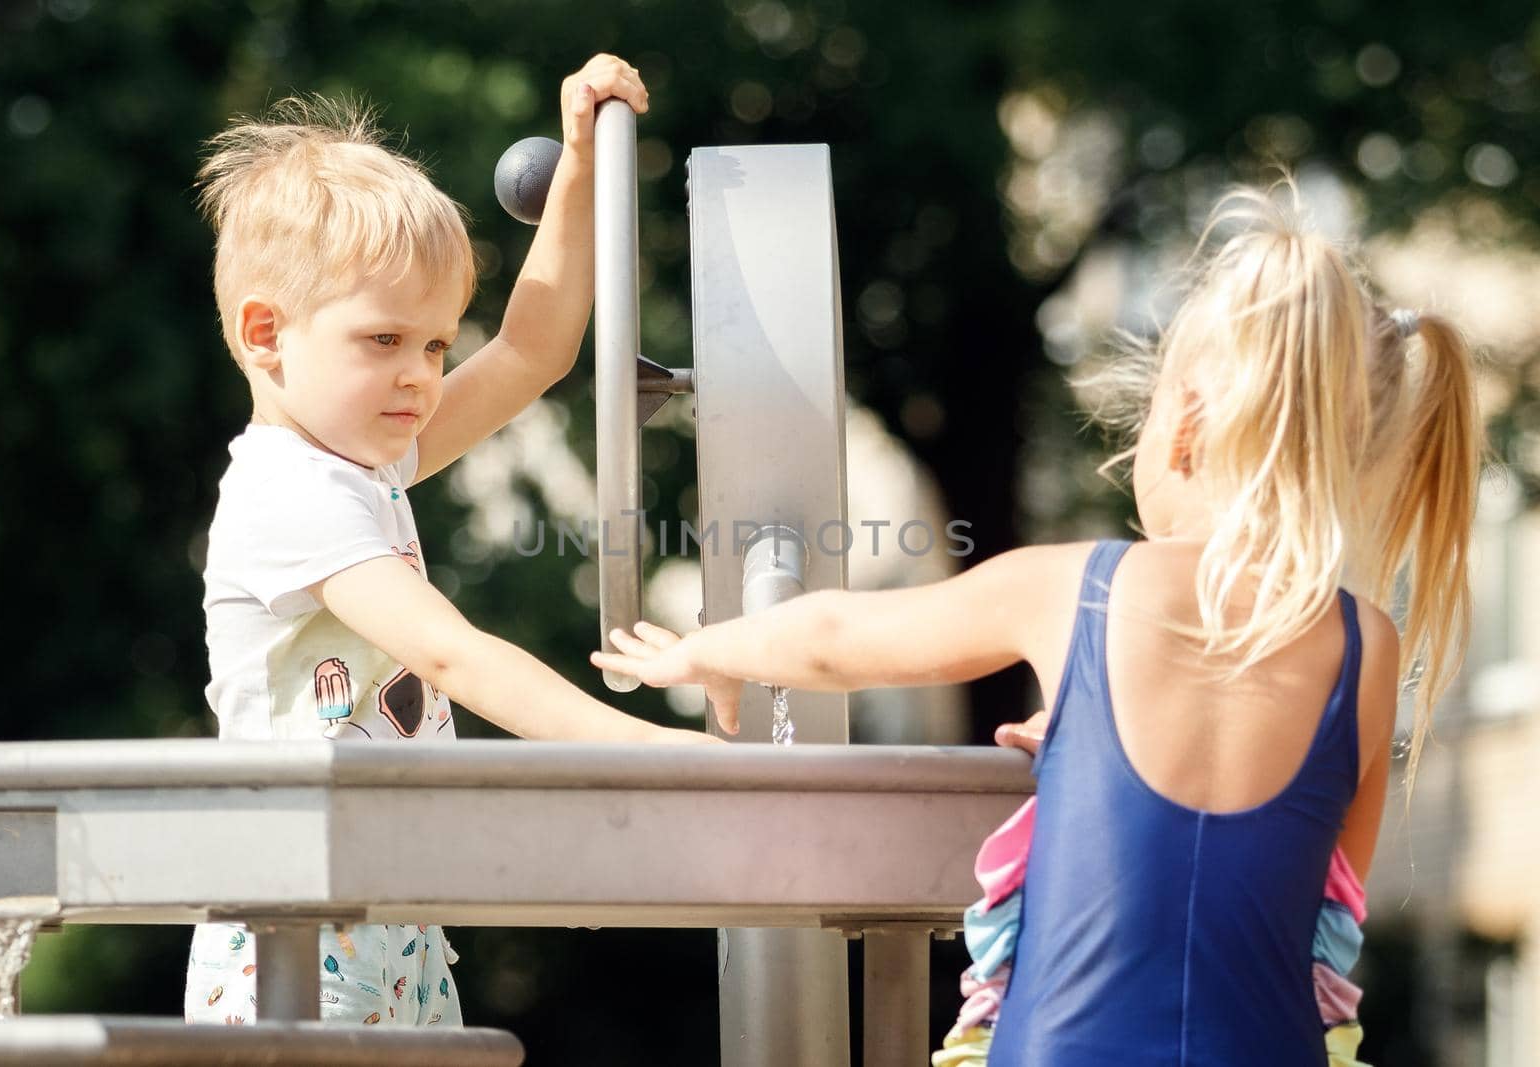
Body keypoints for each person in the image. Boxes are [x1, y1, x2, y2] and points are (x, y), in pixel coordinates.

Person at [592, 180, 1481, 1065]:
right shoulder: (1367, 646)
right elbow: (1322, 900)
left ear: (1184, 429)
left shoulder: (1079, 589)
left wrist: (708, 650)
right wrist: (1088, 740)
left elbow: (834, 636)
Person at [184, 56, 709, 1028]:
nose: (420, 375)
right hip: (295, 921)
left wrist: (583, 164)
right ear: (267, 334)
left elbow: (529, 350)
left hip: (389, 910)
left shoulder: (365, 464)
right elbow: (448, 651)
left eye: (432, 345)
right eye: (384, 341)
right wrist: (658, 753)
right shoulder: (289, 489)